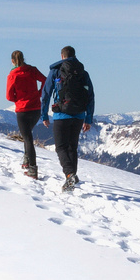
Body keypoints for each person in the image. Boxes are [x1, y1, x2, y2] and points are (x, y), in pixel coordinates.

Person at [40, 45, 95, 191]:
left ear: (62, 56)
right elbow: (90, 96)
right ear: (74, 55)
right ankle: (72, 178)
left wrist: (44, 115)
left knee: (60, 147)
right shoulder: (84, 73)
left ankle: (70, 175)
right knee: (72, 147)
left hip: (61, 114)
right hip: (78, 115)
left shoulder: (56, 71)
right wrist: (88, 118)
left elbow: (46, 94)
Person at [4, 50, 47, 179]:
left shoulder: (12, 75)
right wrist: (38, 94)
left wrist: (17, 98)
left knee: (27, 138)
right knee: (27, 135)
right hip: (35, 108)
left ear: (12, 61)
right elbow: (45, 80)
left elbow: (8, 96)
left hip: (22, 110)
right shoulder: (32, 70)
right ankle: (26, 161)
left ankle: (33, 169)